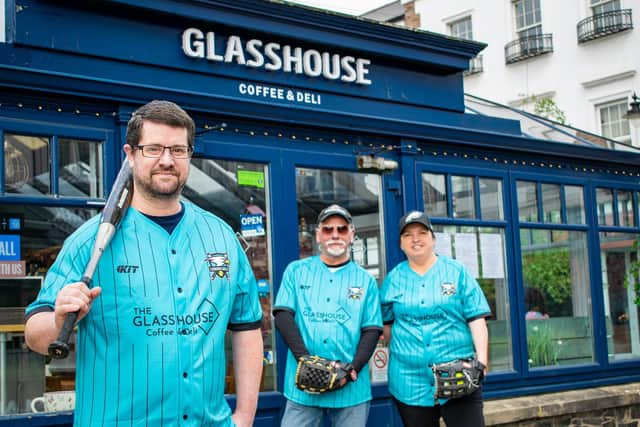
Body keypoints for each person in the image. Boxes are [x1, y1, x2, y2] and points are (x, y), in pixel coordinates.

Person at [24, 100, 263, 427]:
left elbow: (247, 328)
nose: (167, 160)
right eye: (154, 149)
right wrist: (57, 319)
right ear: (130, 153)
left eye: (179, 150)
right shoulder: (90, 242)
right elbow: (35, 336)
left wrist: (245, 417)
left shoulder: (220, 235)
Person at [273, 204, 382, 427]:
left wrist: (353, 369)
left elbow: (372, 330)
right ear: (318, 235)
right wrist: (305, 360)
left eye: (342, 229)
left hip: (350, 391)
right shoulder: (296, 271)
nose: (335, 235)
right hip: (303, 388)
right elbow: (283, 315)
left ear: (352, 235)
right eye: (328, 229)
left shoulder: (366, 280)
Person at [380, 211, 490, 427]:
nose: (416, 239)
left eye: (422, 232)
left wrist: (482, 361)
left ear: (433, 239)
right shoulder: (393, 279)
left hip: (459, 375)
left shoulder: (457, 272)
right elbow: (387, 326)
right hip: (409, 381)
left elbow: (476, 319)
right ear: (401, 243)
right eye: (408, 235)